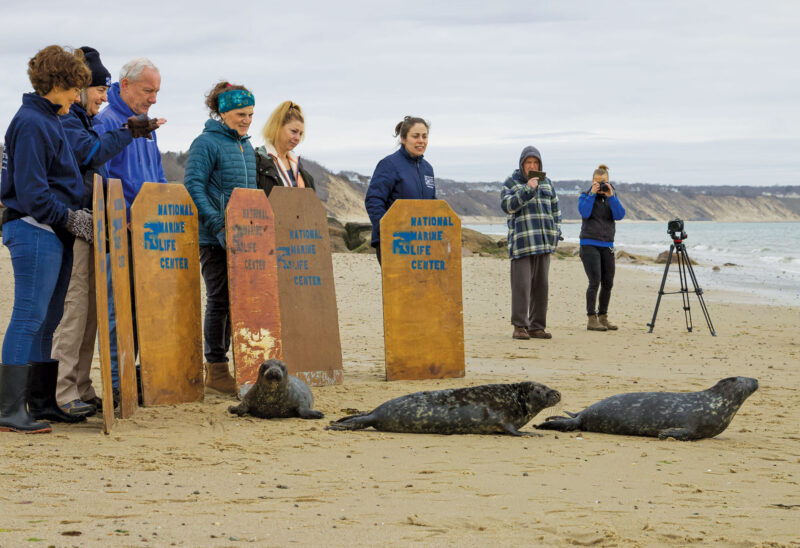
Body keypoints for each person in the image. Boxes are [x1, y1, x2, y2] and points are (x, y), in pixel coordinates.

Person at [50, 47, 152, 417]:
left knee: (89, 313)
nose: (103, 97)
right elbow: (90, 156)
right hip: (77, 224)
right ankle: (62, 392)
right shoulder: (71, 123)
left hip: (94, 225)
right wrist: (129, 131)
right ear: (78, 89)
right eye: (99, 89)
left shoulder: (81, 119)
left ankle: (80, 386)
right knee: (75, 312)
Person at [0, 46, 93, 433]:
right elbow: (33, 192)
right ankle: (7, 410)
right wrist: (71, 218)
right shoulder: (32, 123)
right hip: (33, 229)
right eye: (74, 88)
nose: (78, 97)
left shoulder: (50, 118)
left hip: (53, 232)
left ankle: (39, 403)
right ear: (56, 84)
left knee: (48, 321)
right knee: (28, 317)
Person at [93, 57, 166, 400]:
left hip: (150, 236)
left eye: (157, 92)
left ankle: (134, 378)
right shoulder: (106, 121)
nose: (153, 98)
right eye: (147, 90)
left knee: (143, 311)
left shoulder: (147, 128)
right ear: (124, 85)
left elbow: (158, 179)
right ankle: (116, 385)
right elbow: (100, 180)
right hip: (119, 234)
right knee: (116, 311)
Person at [184, 82, 256, 395]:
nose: (247, 120)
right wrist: (217, 224)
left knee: (240, 301)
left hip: (244, 237)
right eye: (241, 114)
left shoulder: (247, 146)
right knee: (220, 299)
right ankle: (215, 367)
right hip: (213, 237)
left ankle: (237, 363)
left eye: (251, 114)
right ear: (223, 111)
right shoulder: (205, 143)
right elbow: (193, 186)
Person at [500, 146, 561, 340]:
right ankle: (520, 326)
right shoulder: (511, 182)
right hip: (522, 242)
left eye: (535, 163)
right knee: (522, 286)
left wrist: (555, 233)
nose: (532, 166)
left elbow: (555, 210)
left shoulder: (547, 183)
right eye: (528, 163)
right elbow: (507, 206)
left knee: (541, 286)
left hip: (543, 242)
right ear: (522, 164)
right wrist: (528, 189)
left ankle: (537, 327)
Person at [364, 116, 435, 263]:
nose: (421, 140)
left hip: (422, 243)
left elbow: (432, 205)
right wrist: (387, 230)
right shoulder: (389, 164)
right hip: (394, 242)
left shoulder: (428, 169)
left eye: (424, 136)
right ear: (403, 139)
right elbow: (373, 200)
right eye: (415, 136)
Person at [578, 164, 626, 331]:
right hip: (589, 244)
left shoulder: (612, 197)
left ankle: (603, 317)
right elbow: (584, 213)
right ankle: (591, 319)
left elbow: (620, 215)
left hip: (607, 245)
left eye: (604, 182)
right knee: (595, 281)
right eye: (597, 182)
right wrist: (592, 194)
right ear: (592, 182)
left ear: (609, 181)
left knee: (608, 282)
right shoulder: (584, 196)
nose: (601, 185)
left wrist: (611, 196)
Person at [255, 100, 315, 196]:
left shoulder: (301, 171)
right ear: (277, 127)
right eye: (293, 131)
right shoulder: (257, 163)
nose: (297, 138)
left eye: (300, 134)